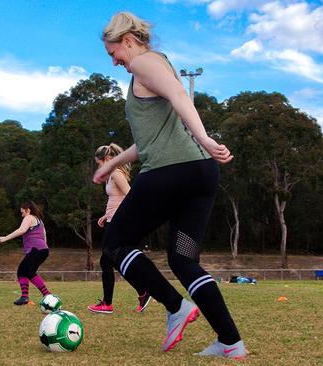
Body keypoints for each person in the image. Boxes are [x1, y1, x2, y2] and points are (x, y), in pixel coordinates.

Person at [94, 11, 246, 359]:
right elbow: (147, 142)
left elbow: (180, 95)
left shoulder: (145, 63)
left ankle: (176, 307)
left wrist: (206, 138)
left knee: (116, 245)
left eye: (112, 52)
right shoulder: (151, 68)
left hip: (170, 173)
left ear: (128, 41)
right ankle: (230, 342)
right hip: (198, 175)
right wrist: (113, 163)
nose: (114, 61)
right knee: (183, 260)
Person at [87, 143, 152, 314]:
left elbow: (131, 196)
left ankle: (108, 304)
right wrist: (105, 215)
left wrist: (122, 218)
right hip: (112, 220)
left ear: (107, 159)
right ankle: (142, 292)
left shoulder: (116, 173)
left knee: (107, 260)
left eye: (100, 163)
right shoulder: (110, 175)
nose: (99, 167)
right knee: (111, 261)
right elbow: (116, 199)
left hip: (119, 222)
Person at [0, 201, 51, 305]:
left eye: (22, 212)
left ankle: (35, 296)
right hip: (43, 250)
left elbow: (22, 230)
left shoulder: (29, 217)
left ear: (28, 210)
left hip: (36, 249)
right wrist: (43, 247)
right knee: (27, 272)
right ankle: (42, 295)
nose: (22, 215)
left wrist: (5, 238)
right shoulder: (39, 220)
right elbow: (44, 236)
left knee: (22, 271)